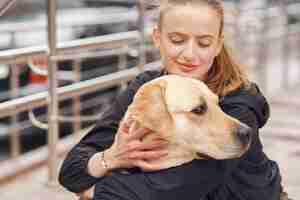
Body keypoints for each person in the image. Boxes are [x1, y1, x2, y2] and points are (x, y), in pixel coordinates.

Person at [59, 0, 285, 199]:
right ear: (157, 38)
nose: (189, 54)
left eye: (204, 43)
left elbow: (171, 188)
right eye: (177, 40)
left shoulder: (239, 101)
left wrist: (93, 191)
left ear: (217, 45)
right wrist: (110, 157)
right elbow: (71, 172)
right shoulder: (150, 88)